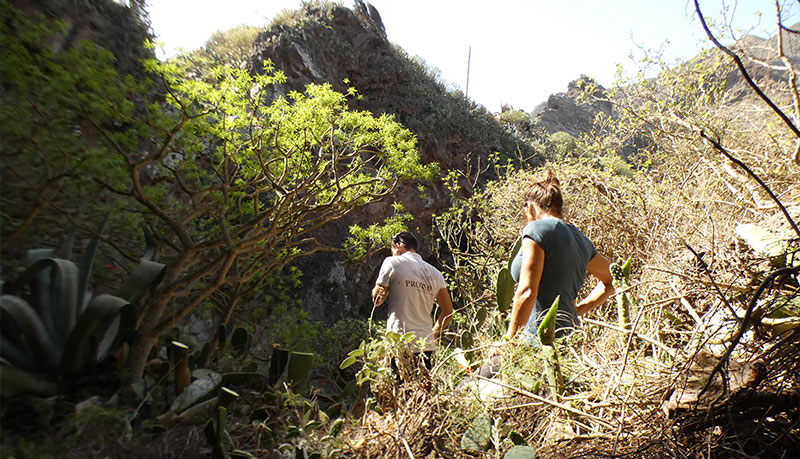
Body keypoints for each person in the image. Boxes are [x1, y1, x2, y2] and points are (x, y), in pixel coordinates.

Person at [493, 169, 615, 352]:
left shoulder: (536, 230)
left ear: (530, 208)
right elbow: (612, 278)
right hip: (570, 340)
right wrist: (577, 310)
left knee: (476, 379)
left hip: (536, 343)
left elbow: (527, 291)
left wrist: (508, 339)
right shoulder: (580, 238)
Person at [371, 231, 454, 372]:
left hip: (399, 341)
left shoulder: (392, 262)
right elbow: (448, 312)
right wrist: (432, 333)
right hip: (424, 345)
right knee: (422, 391)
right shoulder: (436, 274)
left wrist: (383, 287)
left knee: (399, 390)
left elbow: (377, 300)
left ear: (398, 246)